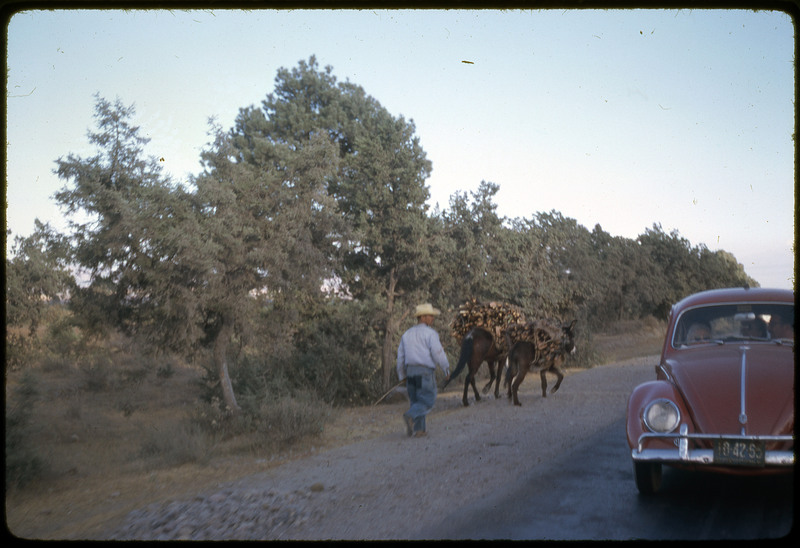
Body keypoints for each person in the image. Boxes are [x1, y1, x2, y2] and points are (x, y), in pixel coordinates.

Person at [396, 303, 450, 438]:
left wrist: (402, 375)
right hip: (424, 372)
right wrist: (446, 369)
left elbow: (400, 357)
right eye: (431, 316)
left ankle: (419, 430)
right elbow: (438, 353)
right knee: (427, 400)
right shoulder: (430, 334)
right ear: (423, 317)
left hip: (410, 372)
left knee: (415, 400)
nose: (432, 318)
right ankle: (410, 415)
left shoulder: (406, 334)